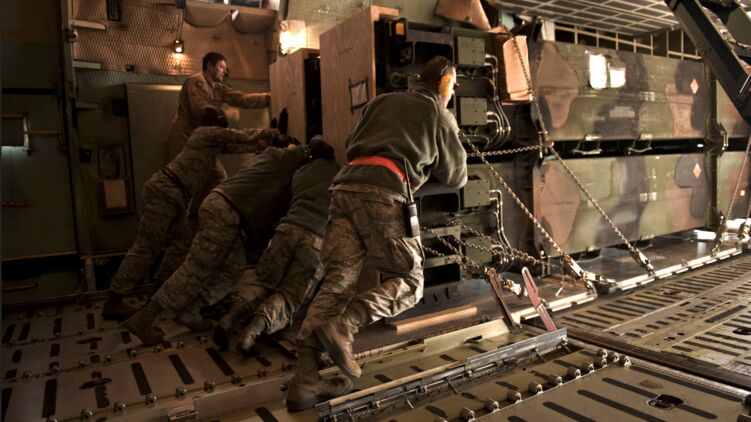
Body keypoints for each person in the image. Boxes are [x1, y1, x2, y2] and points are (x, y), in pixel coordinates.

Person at [285, 56, 468, 411]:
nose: (454, 90)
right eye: (454, 85)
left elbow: (351, 141)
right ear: (445, 84)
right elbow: (457, 176)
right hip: (384, 193)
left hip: (344, 189)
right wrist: (448, 128)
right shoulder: (437, 113)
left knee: (337, 283)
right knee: (411, 282)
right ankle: (346, 325)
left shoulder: (380, 101)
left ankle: (304, 381)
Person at [123, 141, 318, 345]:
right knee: (195, 270)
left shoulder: (273, 166)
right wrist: (313, 151)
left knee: (233, 268)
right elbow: (306, 150)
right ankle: (145, 318)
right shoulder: (281, 157)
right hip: (225, 211)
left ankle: (192, 311)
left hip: (228, 212)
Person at [102, 108, 279, 321]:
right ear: (216, 123)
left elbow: (235, 146)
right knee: (146, 248)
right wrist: (270, 133)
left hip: (176, 198)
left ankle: (155, 296)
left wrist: (263, 146)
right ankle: (114, 301)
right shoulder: (204, 133)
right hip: (165, 193)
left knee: (182, 245)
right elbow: (237, 136)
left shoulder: (209, 143)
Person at [212, 136, 341, 353]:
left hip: (286, 230)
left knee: (263, 282)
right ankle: (251, 333)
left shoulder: (301, 173)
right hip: (316, 240)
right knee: (289, 295)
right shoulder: (340, 174)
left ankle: (230, 318)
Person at [166, 51, 272, 218]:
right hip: (185, 138)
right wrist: (223, 115)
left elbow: (242, 99)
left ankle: (208, 216)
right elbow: (200, 109)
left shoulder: (218, 88)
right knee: (186, 182)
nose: (225, 71)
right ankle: (178, 221)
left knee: (217, 177)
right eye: (221, 67)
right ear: (209, 66)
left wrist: (268, 98)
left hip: (203, 138)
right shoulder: (196, 82)